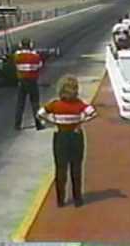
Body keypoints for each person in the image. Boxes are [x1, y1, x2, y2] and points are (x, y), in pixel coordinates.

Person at [37, 76, 97, 207]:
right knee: (76, 168)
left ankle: (60, 200)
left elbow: (40, 113)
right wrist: (80, 120)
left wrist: (51, 121)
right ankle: (77, 199)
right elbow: (92, 113)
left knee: (60, 169)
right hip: (76, 136)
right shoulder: (79, 104)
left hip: (60, 136)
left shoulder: (54, 104)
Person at [14, 37, 45, 131]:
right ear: (30, 45)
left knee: (20, 104)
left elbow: (15, 64)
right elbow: (40, 65)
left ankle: (17, 125)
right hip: (32, 81)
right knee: (35, 104)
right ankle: (38, 124)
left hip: (22, 82)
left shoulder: (17, 55)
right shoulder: (35, 56)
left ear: (21, 45)